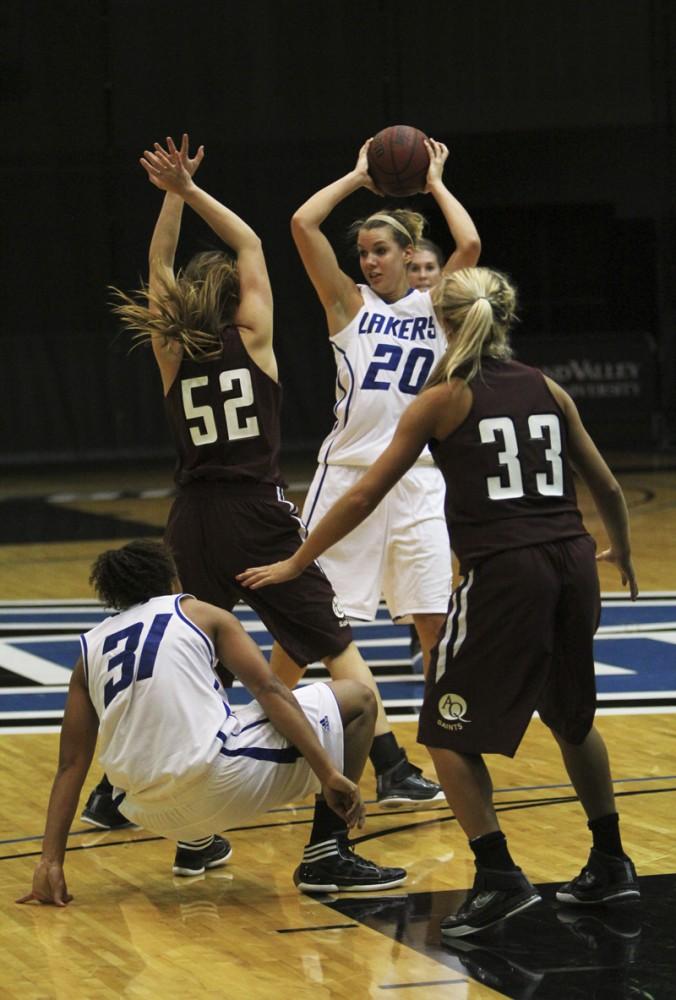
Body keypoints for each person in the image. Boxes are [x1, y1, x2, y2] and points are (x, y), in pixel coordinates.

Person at [238, 266, 641, 937]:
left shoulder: (443, 398)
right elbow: (608, 486)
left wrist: (298, 561)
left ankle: (498, 874)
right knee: (573, 720)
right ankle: (611, 861)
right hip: (573, 561)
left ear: (443, 323)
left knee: (445, 733)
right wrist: (621, 552)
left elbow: (362, 494)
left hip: (507, 573)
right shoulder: (548, 387)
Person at [81, 132, 437, 839]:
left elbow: (157, 262)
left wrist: (167, 205)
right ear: (235, 295)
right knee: (342, 664)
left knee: (191, 661)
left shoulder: (170, 349)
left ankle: (145, 809)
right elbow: (248, 240)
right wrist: (188, 190)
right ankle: (368, 792)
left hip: (192, 518)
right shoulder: (257, 335)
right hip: (258, 512)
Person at [17, 540, 407, 906]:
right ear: (171, 579)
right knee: (358, 700)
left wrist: (50, 861)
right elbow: (270, 689)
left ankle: (197, 843)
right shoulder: (197, 611)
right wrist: (328, 772)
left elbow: (71, 765)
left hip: (143, 810)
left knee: (199, 728)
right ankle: (327, 851)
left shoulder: (89, 651)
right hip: (221, 782)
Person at [273, 135, 480, 716]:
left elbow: (468, 242)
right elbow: (302, 224)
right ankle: (272, 727)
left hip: (419, 481)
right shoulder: (348, 304)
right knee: (307, 625)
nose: (369, 261)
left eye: (380, 251)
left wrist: (435, 179)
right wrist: (359, 176)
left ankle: (447, 736)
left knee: (435, 620)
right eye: (363, 252)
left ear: (407, 252)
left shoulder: (436, 304)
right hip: (348, 477)